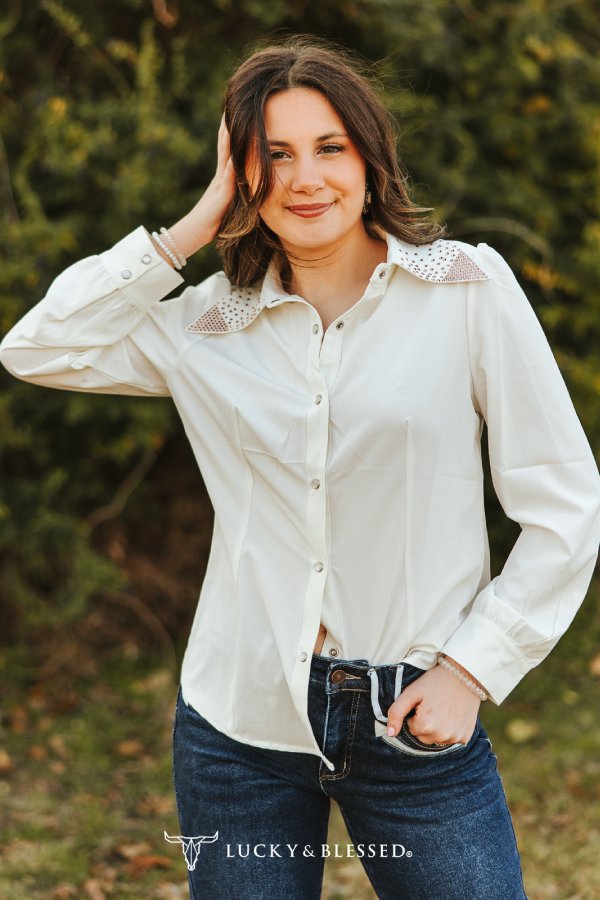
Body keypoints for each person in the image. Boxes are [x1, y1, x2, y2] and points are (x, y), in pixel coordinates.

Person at [1, 34, 599, 900]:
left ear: (370, 154)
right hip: (238, 724)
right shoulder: (206, 326)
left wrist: (473, 669)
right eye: (271, 155)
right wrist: (194, 226)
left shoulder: (468, 290)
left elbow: (565, 504)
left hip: (416, 720)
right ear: (241, 172)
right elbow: (34, 346)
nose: (305, 178)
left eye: (329, 147)